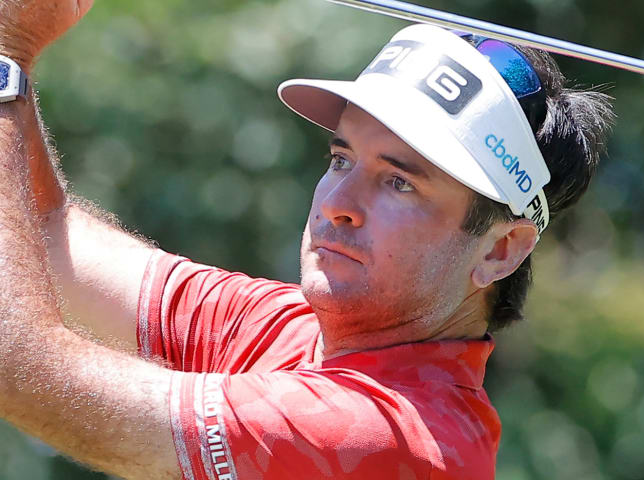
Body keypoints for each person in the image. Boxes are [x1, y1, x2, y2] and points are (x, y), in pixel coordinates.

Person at [0, 1, 613, 479]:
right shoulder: (297, 328)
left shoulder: (395, 438)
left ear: (501, 249)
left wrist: (10, 47)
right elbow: (48, 235)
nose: (338, 206)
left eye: (400, 183)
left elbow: (20, 370)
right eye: (342, 159)